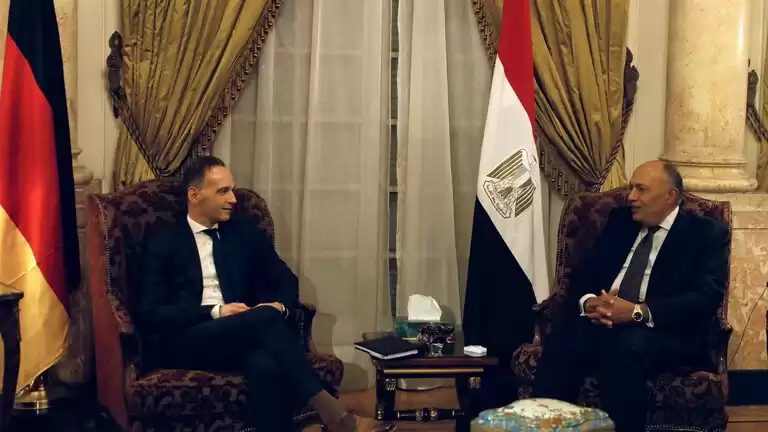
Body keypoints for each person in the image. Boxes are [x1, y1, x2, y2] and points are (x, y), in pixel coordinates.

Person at [138, 156, 394, 432]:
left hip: (241, 333)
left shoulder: (242, 234)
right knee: (264, 320)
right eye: (223, 191)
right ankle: (334, 414)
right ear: (194, 194)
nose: (233, 199)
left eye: (232, 190)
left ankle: (327, 419)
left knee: (267, 365)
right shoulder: (163, 242)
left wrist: (281, 307)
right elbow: (151, 313)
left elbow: (284, 277)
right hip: (187, 339)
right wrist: (215, 311)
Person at [531, 161, 730, 432]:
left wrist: (638, 312)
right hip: (603, 322)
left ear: (670, 195)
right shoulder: (620, 220)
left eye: (641, 189)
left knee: (624, 347)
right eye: (631, 188)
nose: (631, 197)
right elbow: (583, 274)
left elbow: (705, 297)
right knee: (563, 341)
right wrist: (590, 302)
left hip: (664, 332)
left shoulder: (706, 233)